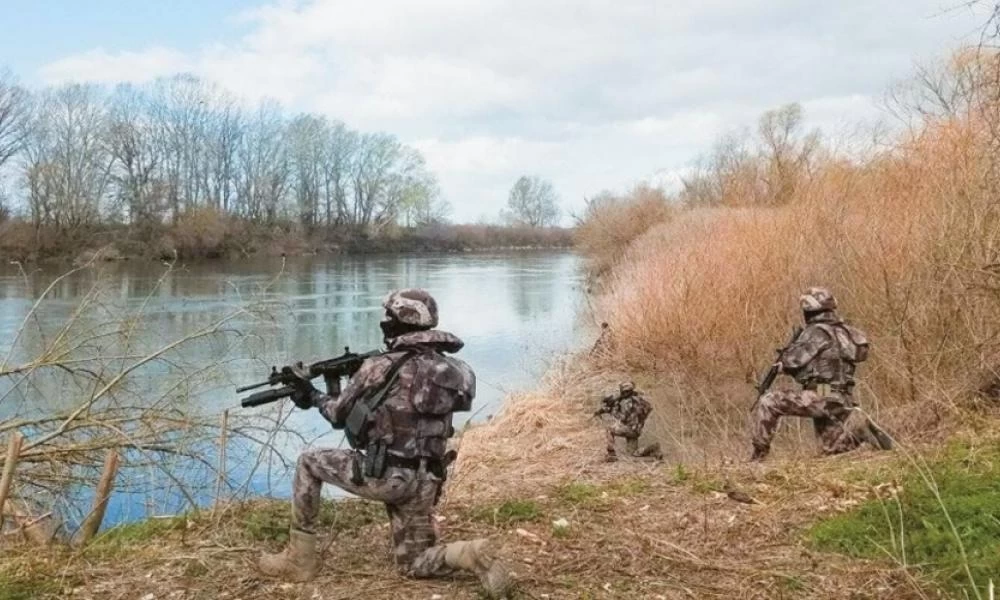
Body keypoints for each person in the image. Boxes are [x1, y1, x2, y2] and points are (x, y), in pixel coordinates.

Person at [258, 288, 513, 599]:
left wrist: (312, 396)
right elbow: (419, 402)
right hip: (427, 481)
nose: (384, 323)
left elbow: (338, 415)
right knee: (413, 565)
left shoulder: (378, 367)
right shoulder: (458, 371)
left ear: (397, 323)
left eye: (388, 318)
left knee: (309, 462)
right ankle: (471, 554)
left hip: (387, 478)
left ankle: (299, 560)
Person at [750, 287, 892, 461]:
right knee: (831, 449)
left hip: (822, 393)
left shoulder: (815, 331)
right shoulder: (847, 332)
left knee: (769, 402)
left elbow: (793, 361)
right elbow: (856, 356)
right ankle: (858, 429)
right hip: (841, 395)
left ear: (809, 310)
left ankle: (758, 456)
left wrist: (782, 364)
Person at [594, 381, 663, 462]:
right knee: (633, 453)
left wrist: (612, 409)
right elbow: (648, 409)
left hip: (629, 428)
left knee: (609, 430)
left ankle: (611, 454)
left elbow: (623, 418)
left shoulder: (629, 402)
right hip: (636, 430)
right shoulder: (639, 400)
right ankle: (653, 448)